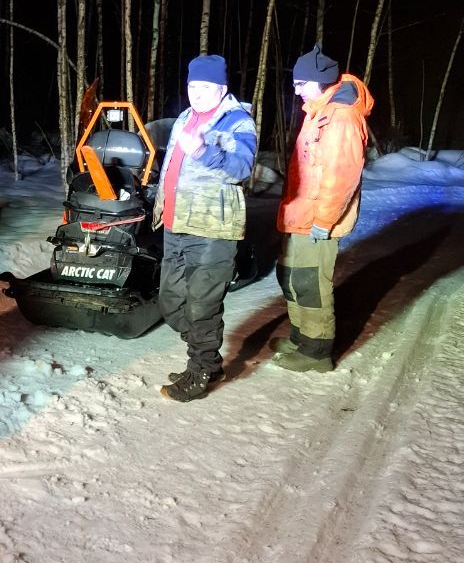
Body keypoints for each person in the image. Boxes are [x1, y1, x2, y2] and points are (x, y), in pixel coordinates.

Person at [152, 54, 257, 401]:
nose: (196, 93)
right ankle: (207, 358)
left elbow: (241, 168)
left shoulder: (237, 122)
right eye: (192, 86)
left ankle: (201, 370)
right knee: (170, 301)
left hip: (212, 228)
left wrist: (202, 151)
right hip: (175, 223)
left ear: (222, 89)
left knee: (202, 306)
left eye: (205, 87)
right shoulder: (185, 117)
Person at [272, 43, 374, 372]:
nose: (296, 90)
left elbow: (341, 175)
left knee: (311, 283)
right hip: (300, 215)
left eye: (301, 83)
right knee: (291, 277)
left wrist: (325, 220)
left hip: (318, 219)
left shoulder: (341, 116)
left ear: (321, 81)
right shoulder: (319, 110)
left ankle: (316, 353)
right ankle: (301, 338)